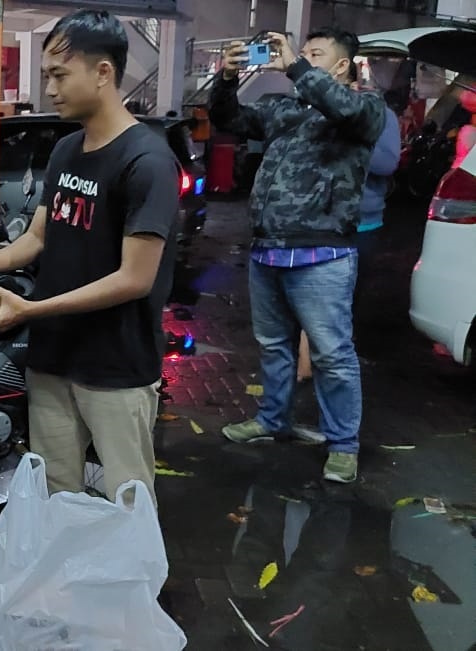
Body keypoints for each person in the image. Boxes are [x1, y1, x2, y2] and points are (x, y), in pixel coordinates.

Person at [0, 9, 181, 501]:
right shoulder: (66, 151)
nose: (49, 88)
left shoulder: (147, 162)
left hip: (116, 366)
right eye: (46, 76)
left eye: (58, 74)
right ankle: (69, 579)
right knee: (58, 492)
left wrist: (30, 310)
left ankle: (130, 581)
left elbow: (134, 279)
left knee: (127, 498)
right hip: (53, 360)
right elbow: (39, 237)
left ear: (103, 73)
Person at [211, 29, 386, 483]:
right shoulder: (285, 109)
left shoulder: (365, 108)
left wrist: (294, 65)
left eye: (314, 54)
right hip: (268, 248)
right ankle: (272, 419)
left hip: (323, 252)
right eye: (300, 51)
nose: (299, 58)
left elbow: (342, 107)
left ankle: (343, 444)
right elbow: (228, 119)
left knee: (331, 353)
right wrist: (226, 79)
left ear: (342, 65)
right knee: (273, 346)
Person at [297, 65, 400, 382]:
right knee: (308, 293)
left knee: (346, 298)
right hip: (319, 221)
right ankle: (305, 362)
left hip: (363, 225)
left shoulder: (383, 117)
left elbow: (386, 162)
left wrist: (352, 134)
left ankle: (334, 362)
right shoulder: (316, 112)